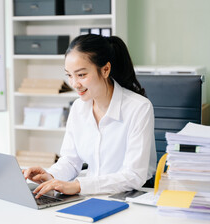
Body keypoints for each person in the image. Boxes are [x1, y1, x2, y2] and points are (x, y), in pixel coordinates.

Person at [23, 34, 157, 198]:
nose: (74, 84)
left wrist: (79, 186)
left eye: (81, 75)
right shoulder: (79, 107)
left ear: (105, 69)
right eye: (69, 75)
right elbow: (71, 161)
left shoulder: (138, 108)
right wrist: (50, 176)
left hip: (128, 198)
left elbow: (134, 175)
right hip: (90, 195)